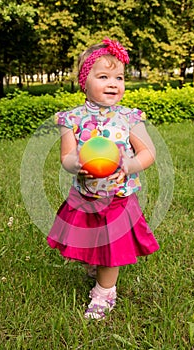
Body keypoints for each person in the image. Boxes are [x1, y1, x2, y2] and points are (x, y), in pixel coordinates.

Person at [47, 37, 159, 320]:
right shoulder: (71, 119)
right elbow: (67, 157)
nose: (113, 83)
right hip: (86, 197)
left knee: (110, 248)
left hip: (117, 198)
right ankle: (95, 267)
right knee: (91, 242)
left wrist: (130, 164)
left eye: (119, 77)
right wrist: (78, 165)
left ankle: (104, 292)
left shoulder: (129, 118)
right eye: (104, 76)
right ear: (84, 81)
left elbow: (148, 152)